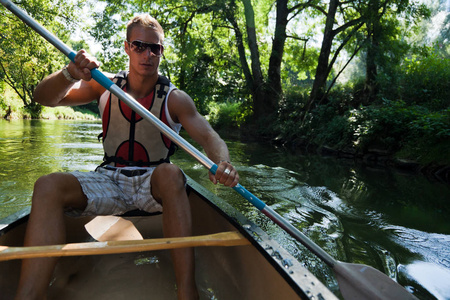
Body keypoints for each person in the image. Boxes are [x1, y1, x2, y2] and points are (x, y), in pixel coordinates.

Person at [15, 14, 239, 300]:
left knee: (173, 174)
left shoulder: (175, 99)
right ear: (126, 47)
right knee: (47, 185)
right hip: (110, 179)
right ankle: (28, 296)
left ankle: (187, 292)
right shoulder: (103, 84)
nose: (147, 54)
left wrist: (222, 163)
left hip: (153, 184)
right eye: (139, 46)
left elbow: (210, 138)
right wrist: (69, 74)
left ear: (161, 51)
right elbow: (43, 97)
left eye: (154, 48)